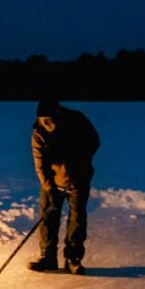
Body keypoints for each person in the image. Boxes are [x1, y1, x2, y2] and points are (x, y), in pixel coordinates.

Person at [29, 100, 99, 275]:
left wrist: (77, 164)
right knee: (48, 217)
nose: (45, 124)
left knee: (76, 219)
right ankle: (48, 258)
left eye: (49, 120)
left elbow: (94, 142)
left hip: (78, 179)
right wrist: (49, 188)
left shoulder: (77, 120)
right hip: (53, 181)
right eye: (42, 120)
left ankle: (73, 259)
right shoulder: (38, 133)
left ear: (58, 115)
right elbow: (40, 165)